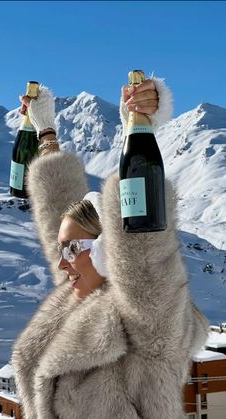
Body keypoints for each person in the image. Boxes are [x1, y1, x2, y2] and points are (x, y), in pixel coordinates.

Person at [11, 76, 208, 419]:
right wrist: (46, 133)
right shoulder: (79, 301)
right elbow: (60, 217)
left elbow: (146, 258)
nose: (62, 264)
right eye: (63, 252)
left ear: (110, 249)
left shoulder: (152, 324)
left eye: (72, 251)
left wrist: (140, 128)